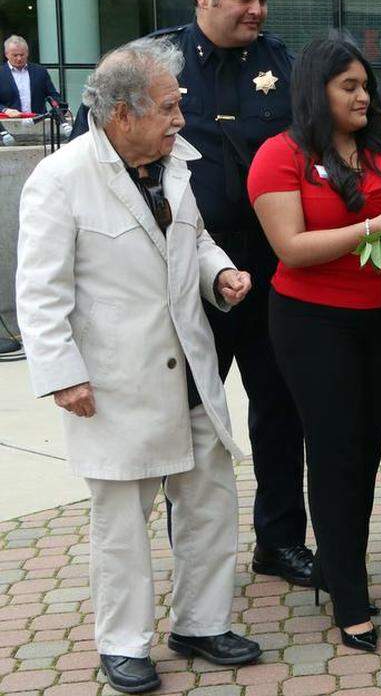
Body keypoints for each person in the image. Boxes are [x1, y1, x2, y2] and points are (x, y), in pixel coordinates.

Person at [16, 38, 261, 695]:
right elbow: (39, 291)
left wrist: (220, 275)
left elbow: (195, 239)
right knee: (122, 523)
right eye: (169, 106)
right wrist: (61, 372)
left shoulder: (175, 161)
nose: (181, 117)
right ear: (123, 114)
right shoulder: (62, 179)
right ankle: (123, 644)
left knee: (209, 503)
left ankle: (201, 624)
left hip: (190, 369)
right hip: (113, 383)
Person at [71, 0, 315, 586]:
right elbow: (93, 159)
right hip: (180, 276)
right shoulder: (149, 64)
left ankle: (281, 540)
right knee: (187, 421)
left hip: (265, 269)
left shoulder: (282, 64)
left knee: (280, 409)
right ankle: (194, 553)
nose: (257, 10)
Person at [248, 36, 381, 652]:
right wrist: (366, 227)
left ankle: (343, 566)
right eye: (349, 86)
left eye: (365, 84)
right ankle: (346, 591)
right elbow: (289, 247)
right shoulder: (279, 156)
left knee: (364, 454)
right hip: (314, 324)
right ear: (317, 90)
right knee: (336, 452)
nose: (364, 95)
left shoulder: (380, 144)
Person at [0, 35, 62, 116]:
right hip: (9, 122)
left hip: (38, 122)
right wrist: (5, 110)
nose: (19, 58)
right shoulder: (1, 73)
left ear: (27, 53)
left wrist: (61, 108)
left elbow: (52, 94)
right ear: (6, 54)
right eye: (15, 55)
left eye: (22, 55)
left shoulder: (40, 71)